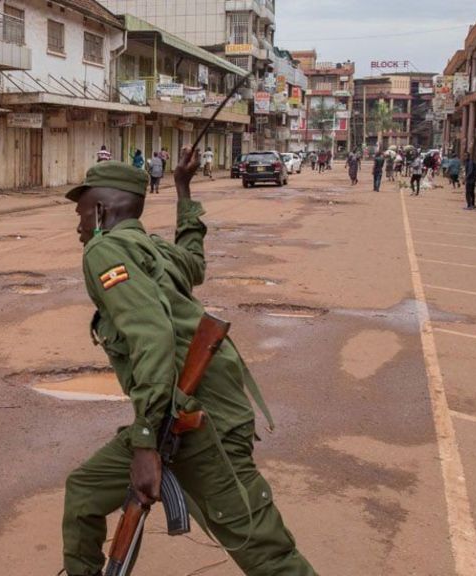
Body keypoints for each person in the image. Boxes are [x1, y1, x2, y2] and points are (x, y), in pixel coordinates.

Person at [61, 150, 315, 576]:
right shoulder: (151, 247)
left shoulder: (104, 251)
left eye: (82, 211)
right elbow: (194, 264)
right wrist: (183, 188)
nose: (78, 224)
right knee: (85, 491)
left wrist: (145, 442)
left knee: (262, 550)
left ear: (101, 210)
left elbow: (152, 336)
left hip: (198, 420)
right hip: (177, 410)